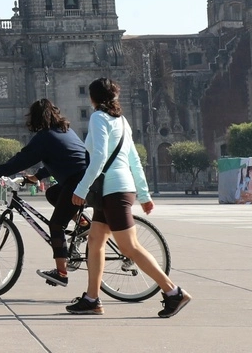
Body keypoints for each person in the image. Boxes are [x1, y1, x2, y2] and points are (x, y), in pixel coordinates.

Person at [67, 78, 191, 319]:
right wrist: (143, 194)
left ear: (93, 98)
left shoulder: (98, 118)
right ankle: (92, 298)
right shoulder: (121, 121)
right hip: (115, 190)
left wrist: (81, 189)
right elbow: (134, 159)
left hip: (113, 190)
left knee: (129, 247)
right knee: (95, 241)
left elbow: (100, 156)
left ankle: (173, 292)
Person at [0, 98, 88, 287]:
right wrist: (38, 176)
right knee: (52, 194)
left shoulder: (45, 137)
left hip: (76, 183)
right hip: (85, 180)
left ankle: (61, 273)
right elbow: (60, 158)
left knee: (56, 225)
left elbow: (23, 158)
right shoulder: (66, 131)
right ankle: (82, 223)